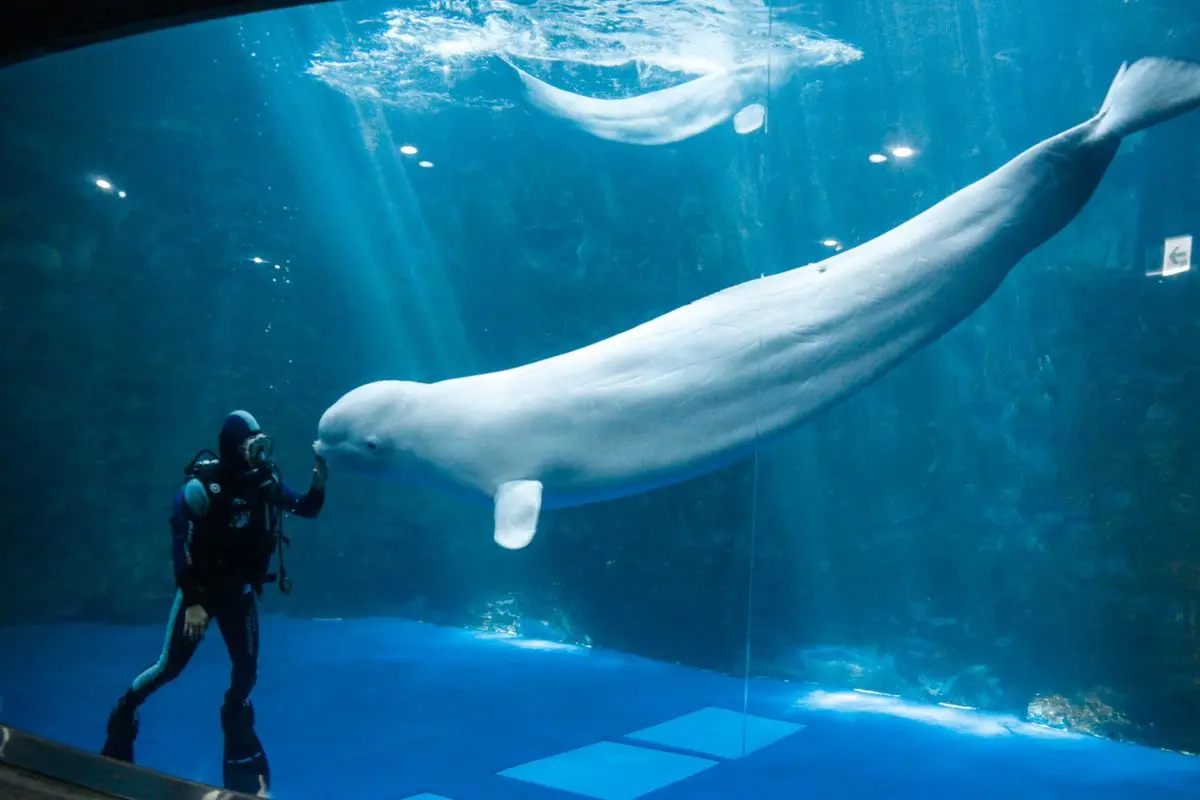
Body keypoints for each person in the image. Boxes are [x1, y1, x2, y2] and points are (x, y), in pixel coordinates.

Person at [101, 410, 328, 796]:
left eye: (262, 444)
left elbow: (305, 508)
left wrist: (319, 481)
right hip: (201, 598)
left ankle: (235, 719)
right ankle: (126, 708)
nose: (260, 451)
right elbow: (181, 551)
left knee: (247, 670)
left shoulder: (265, 480)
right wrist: (193, 603)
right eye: (252, 445)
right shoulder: (202, 490)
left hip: (239, 594)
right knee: (169, 668)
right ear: (234, 448)